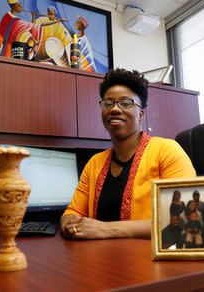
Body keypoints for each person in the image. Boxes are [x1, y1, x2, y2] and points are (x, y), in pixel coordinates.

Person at [60, 68, 196, 240]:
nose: (115, 109)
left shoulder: (168, 151)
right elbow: (73, 211)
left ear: (140, 114)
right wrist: (71, 224)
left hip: (150, 261)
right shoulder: (95, 163)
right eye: (108, 103)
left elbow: (183, 219)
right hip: (97, 260)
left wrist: (105, 229)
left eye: (125, 103)